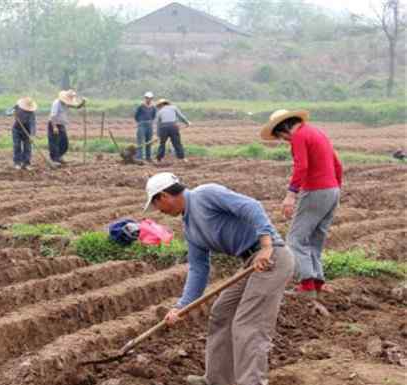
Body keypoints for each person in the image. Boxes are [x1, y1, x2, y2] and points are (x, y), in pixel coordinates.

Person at [143, 172, 294, 385]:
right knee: (222, 312)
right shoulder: (190, 228)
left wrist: (267, 245)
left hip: (271, 258)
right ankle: (217, 380)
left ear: (164, 196)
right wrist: (182, 306)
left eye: (157, 205)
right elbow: (198, 269)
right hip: (250, 262)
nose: (159, 211)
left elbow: (252, 206)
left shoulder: (205, 194)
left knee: (248, 324)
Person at [260, 110, 342, 298]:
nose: (284, 140)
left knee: (295, 239)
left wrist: (291, 195)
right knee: (315, 238)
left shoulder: (299, 136)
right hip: (332, 190)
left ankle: (306, 286)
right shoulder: (317, 132)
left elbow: (302, 166)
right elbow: (337, 164)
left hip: (315, 190)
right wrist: (335, 188)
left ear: (284, 128)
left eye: (281, 137)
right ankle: (317, 281)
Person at [48, 89, 85, 166]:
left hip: (61, 124)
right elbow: (53, 116)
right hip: (54, 124)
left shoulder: (66, 103)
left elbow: (76, 106)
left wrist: (82, 103)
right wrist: (54, 127)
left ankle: (59, 156)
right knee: (54, 142)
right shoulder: (56, 103)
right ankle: (54, 160)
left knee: (64, 143)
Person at [6, 97, 37, 170]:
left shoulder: (32, 113)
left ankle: (26, 164)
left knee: (28, 147)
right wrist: (11, 112)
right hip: (16, 130)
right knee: (17, 146)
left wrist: (32, 135)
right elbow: (7, 112)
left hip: (27, 132)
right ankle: (17, 163)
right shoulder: (17, 107)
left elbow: (33, 124)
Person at [134, 92, 157, 162]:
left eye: (150, 98)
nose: (148, 100)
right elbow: (136, 116)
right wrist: (140, 122)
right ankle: (139, 157)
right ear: (145, 98)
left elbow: (153, 116)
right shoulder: (141, 106)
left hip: (149, 124)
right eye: (147, 98)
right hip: (142, 124)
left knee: (149, 141)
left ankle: (148, 157)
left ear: (152, 99)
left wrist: (150, 122)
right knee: (140, 141)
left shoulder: (153, 107)